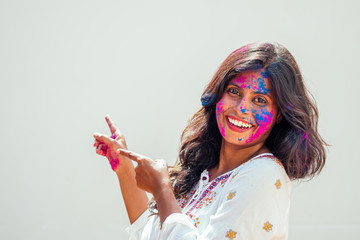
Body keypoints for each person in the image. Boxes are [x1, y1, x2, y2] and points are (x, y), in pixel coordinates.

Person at [93, 42, 327, 240]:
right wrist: (123, 169)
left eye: (259, 99)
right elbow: (155, 233)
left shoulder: (263, 175)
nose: (242, 109)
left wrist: (162, 189)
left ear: (279, 114)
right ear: (218, 96)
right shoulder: (205, 172)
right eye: (234, 92)